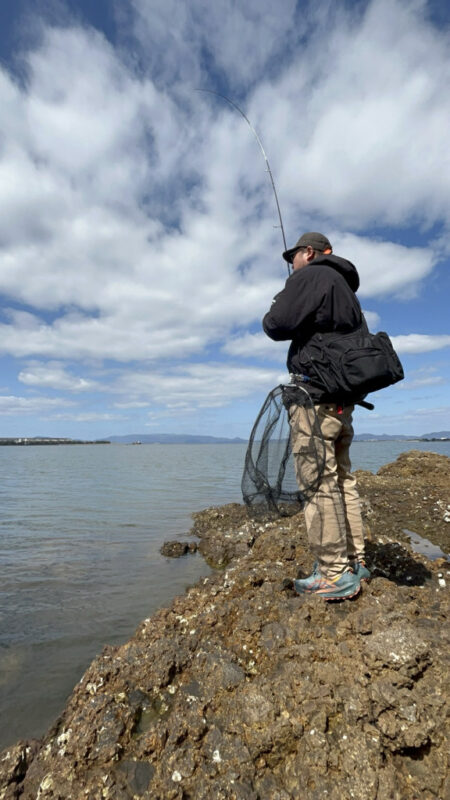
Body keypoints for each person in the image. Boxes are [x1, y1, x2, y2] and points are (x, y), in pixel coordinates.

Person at [263, 232, 371, 600]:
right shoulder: (346, 288)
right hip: (342, 404)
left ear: (307, 252)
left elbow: (275, 324)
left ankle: (334, 573)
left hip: (315, 401)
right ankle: (356, 562)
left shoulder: (311, 275)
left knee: (317, 484)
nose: (291, 263)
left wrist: (286, 292)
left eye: (292, 257)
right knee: (342, 480)